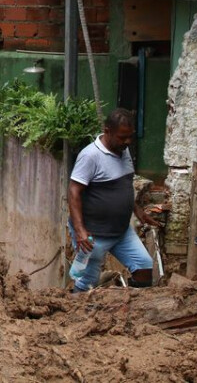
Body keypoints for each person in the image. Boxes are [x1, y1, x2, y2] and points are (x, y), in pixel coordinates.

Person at [68, 108, 161, 293]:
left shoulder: (123, 151)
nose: (127, 142)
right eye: (122, 137)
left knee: (145, 269)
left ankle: (130, 312)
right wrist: (80, 231)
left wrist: (137, 211)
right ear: (107, 130)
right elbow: (73, 192)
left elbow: (122, 187)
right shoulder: (90, 156)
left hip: (121, 231)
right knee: (87, 283)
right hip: (93, 235)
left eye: (130, 137)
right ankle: (73, 316)